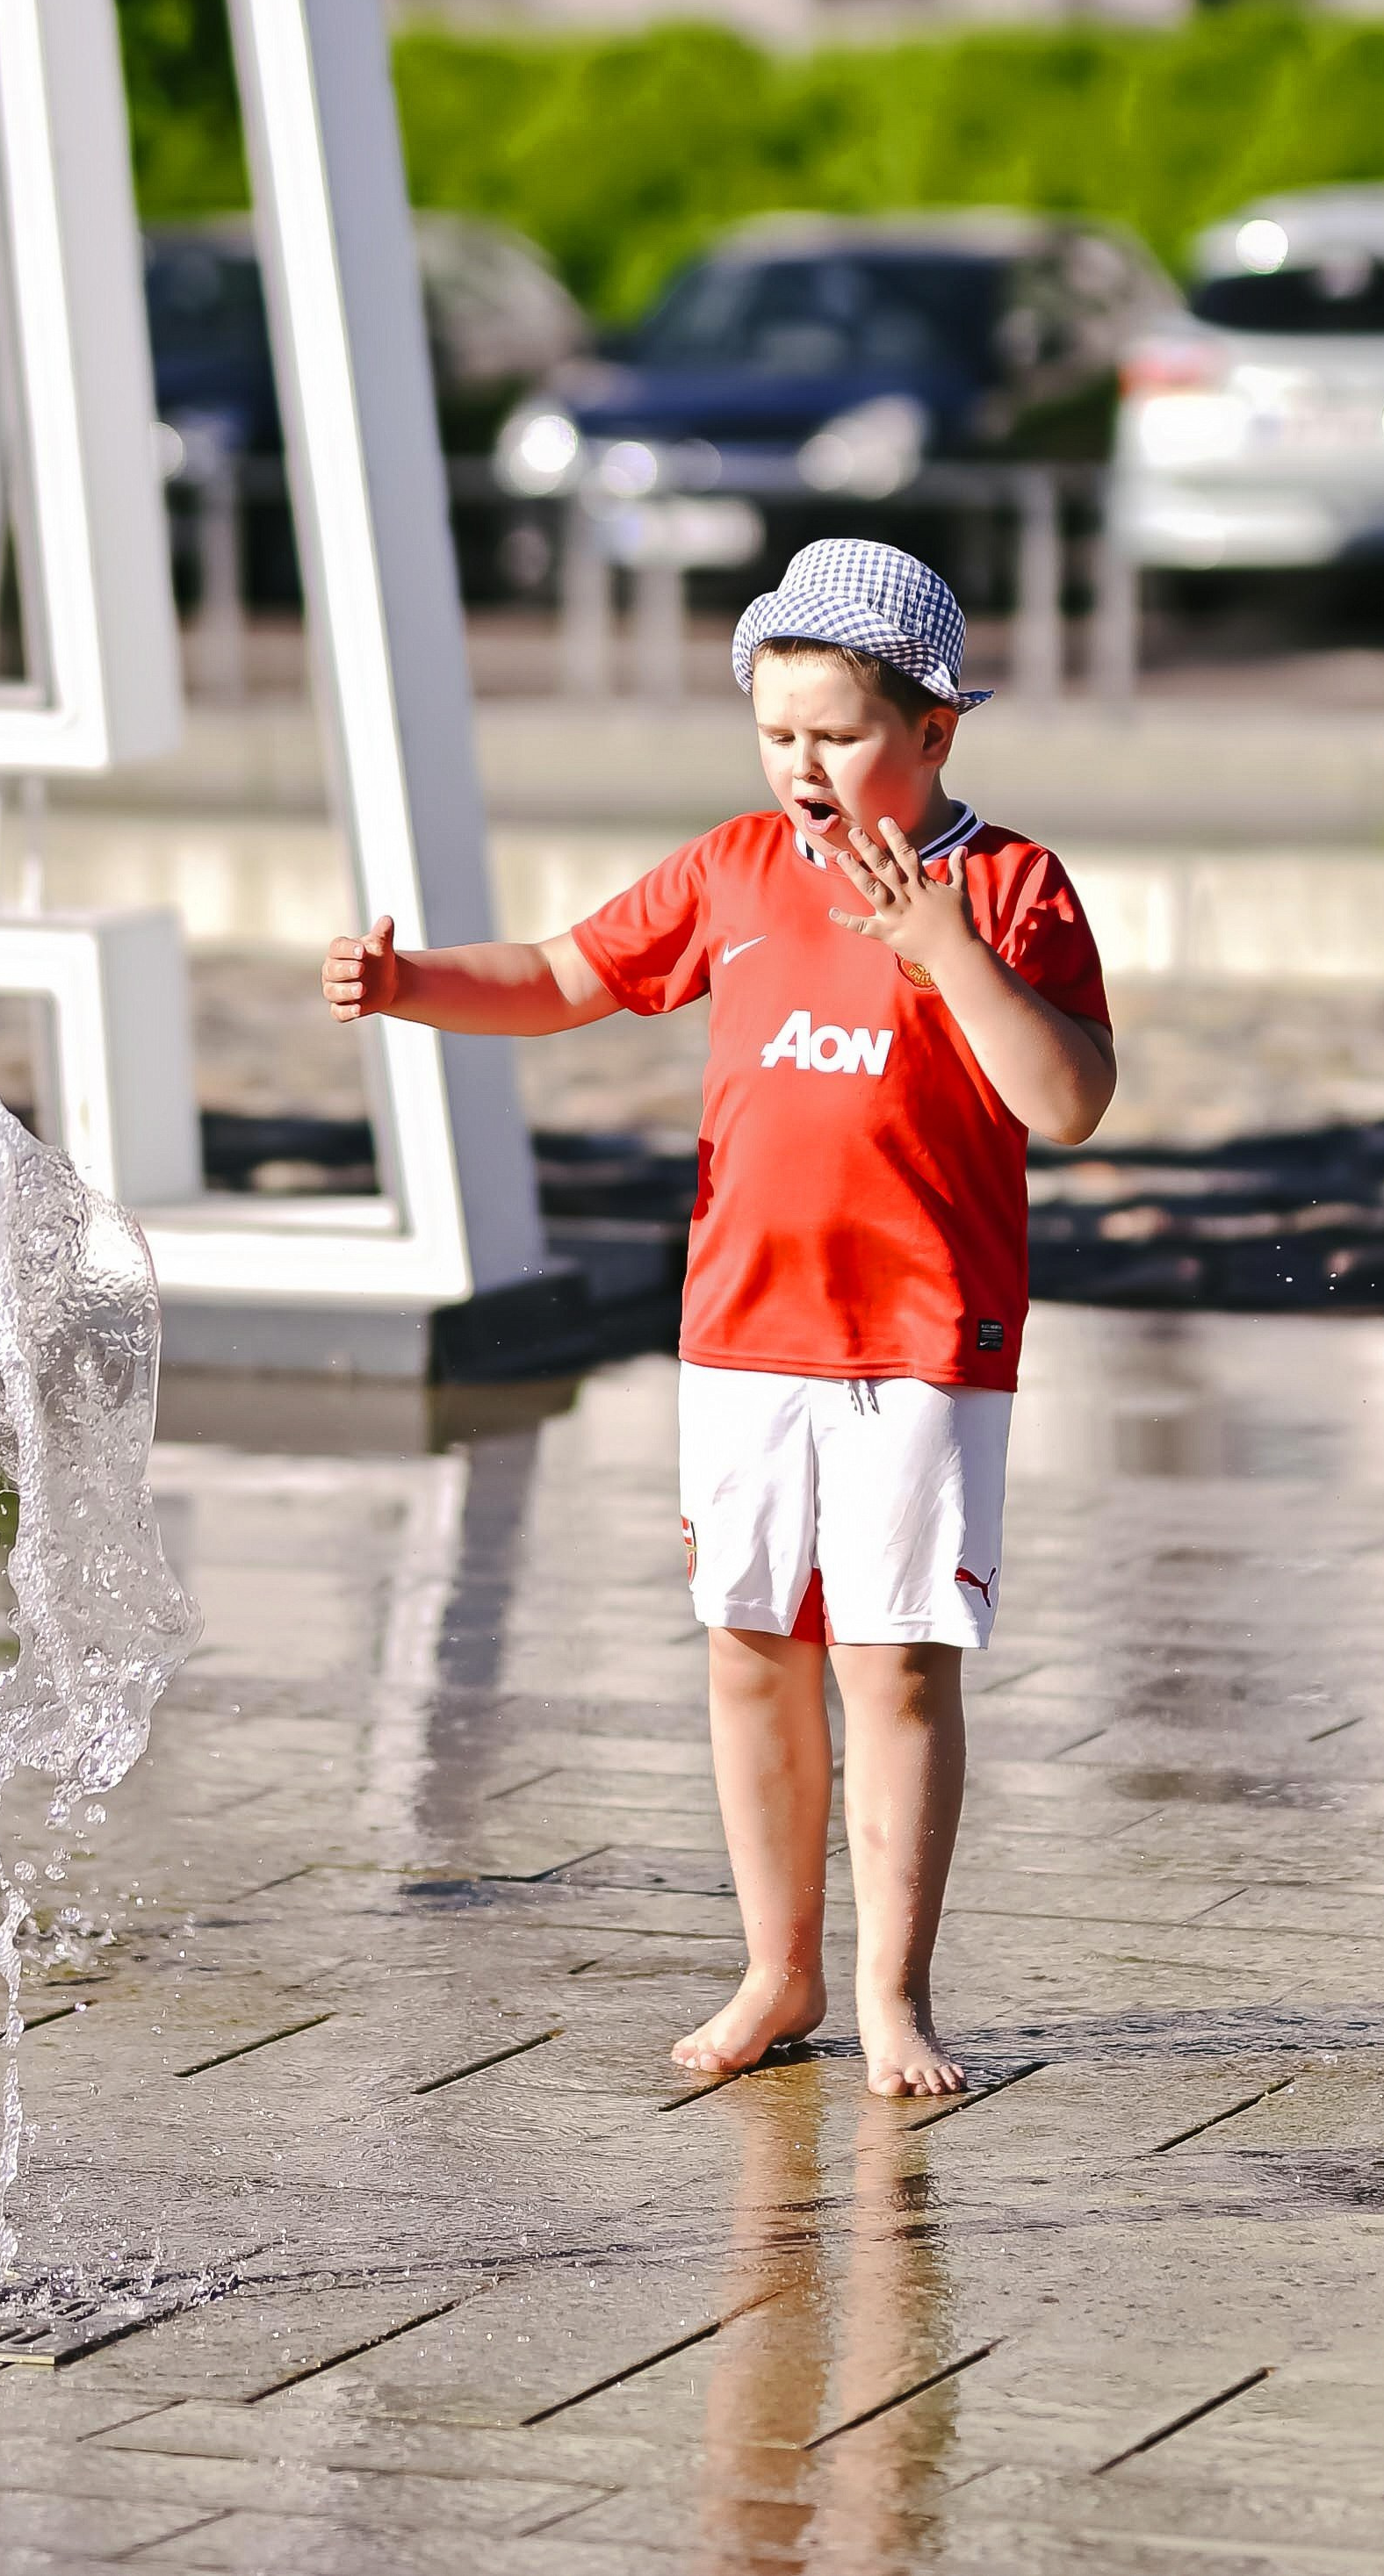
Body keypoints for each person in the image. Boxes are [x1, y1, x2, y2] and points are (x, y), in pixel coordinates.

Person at [321, 536, 1115, 2097]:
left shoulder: (1013, 886)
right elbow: (564, 972)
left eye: (839, 734)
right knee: (751, 1647)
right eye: (775, 731)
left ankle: (892, 1990)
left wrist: (946, 949)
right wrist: (416, 984)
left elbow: (1070, 1099)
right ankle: (779, 1966)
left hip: (920, 1342)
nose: (802, 765)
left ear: (935, 729)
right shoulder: (737, 869)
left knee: (894, 1664)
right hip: (744, 1329)